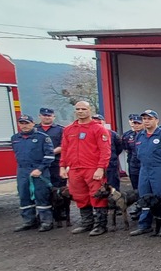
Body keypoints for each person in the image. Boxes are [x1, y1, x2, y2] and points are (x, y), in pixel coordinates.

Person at [60, 101, 111, 236]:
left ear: (90, 110)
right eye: (78, 109)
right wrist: (62, 167)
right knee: (80, 196)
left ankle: (100, 225)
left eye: (84, 109)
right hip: (75, 169)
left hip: (92, 168)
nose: (80, 111)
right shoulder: (68, 130)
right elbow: (65, 149)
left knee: (97, 195)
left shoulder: (98, 129)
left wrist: (101, 168)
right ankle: (87, 223)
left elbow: (105, 151)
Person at [130, 110, 161, 236]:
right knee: (144, 197)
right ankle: (145, 225)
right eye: (144, 119)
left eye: (149, 118)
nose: (146, 121)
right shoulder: (140, 135)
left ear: (156, 120)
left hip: (159, 168)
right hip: (144, 169)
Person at [11, 114, 55, 232]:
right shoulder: (15, 138)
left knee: (41, 196)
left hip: (39, 171)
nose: (24, 126)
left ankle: (46, 221)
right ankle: (28, 221)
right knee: (24, 196)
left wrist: (40, 169)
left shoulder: (42, 137)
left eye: (27, 123)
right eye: (22, 123)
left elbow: (49, 156)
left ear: (32, 123)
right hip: (22, 171)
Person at [92, 114, 124, 190]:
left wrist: (112, 157)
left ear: (104, 122)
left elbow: (119, 147)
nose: (97, 122)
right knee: (98, 188)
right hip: (95, 166)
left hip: (111, 165)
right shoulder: (90, 134)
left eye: (99, 120)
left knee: (113, 187)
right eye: (94, 120)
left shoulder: (113, 134)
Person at [37, 107, 65, 187]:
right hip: (39, 163)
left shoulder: (61, 130)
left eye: (49, 115)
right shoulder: (34, 130)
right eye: (44, 115)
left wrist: (50, 154)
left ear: (53, 117)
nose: (46, 117)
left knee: (58, 186)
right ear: (40, 116)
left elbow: (64, 145)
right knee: (41, 186)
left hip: (56, 163)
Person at [121, 114, 143, 191]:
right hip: (133, 164)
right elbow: (126, 149)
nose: (136, 125)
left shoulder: (147, 135)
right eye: (134, 123)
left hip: (144, 164)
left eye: (139, 123)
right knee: (135, 187)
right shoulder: (128, 135)